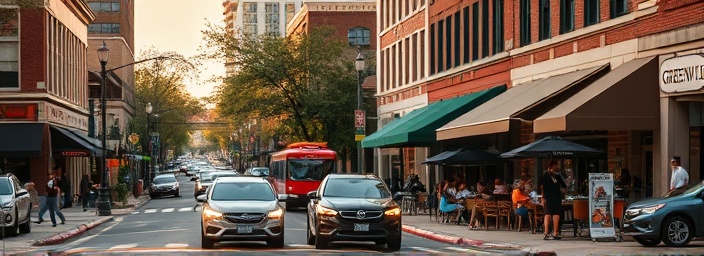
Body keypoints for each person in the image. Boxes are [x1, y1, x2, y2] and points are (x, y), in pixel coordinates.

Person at [539, 160, 566, 240]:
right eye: (556, 165)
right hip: (548, 197)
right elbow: (541, 188)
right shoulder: (545, 176)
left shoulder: (557, 176)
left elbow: (564, 186)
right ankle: (547, 232)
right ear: (552, 166)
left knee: (556, 214)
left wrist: (561, 189)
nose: (557, 167)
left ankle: (555, 232)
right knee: (548, 214)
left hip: (556, 197)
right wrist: (542, 198)